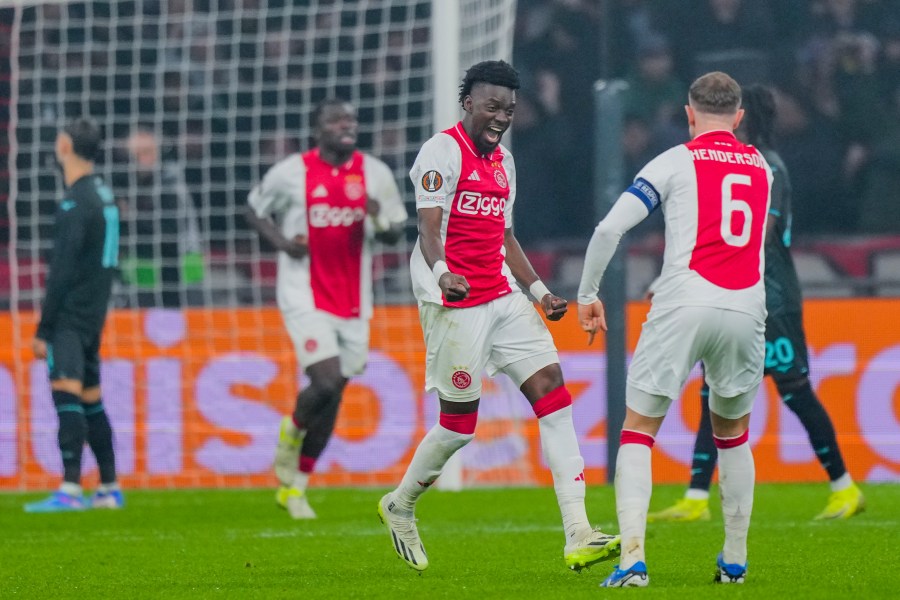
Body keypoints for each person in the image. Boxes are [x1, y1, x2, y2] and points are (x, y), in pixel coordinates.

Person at [377, 60, 620, 573]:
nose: (501, 116)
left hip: (503, 296)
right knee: (459, 427)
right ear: (467, 102)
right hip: (455, 302)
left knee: (554, 396)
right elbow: (428, 229)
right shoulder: (441, 152)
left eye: (509, 108)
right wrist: (442, 272)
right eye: (492, 106)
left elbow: (504, 235)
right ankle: (400, 503)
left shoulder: (505, 162)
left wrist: (538, 291)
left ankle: (578, 531)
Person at [578, 72, 771, 587]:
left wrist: (586, 293)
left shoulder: (674, 160)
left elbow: (609, 228)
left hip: (684, 302)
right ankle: (734, 562)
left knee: (638, 430)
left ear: (689, 114)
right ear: (739, 117)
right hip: (746, 308)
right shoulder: (762, 167)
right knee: (732, 436)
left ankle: (633, 562)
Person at [648, 85, 864, 523]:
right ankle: (694, 498)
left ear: (742, 118)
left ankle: (845, 487)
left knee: (795, 391)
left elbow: (759, 236)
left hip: (772, 300)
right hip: (736, 297)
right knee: (715, 392)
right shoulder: (745, 164)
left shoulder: (769, 167)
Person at [245, 98, 408, 519]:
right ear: (318, 130)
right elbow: (253, 208)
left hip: (354, 300)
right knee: (325, 381)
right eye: (336, 120)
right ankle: (292, 430)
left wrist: (379, 221)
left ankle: (296, 485)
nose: (346, 126)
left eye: (351, 119)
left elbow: (395, 234)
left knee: (334, 393)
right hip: (304, 293)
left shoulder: (375, 174)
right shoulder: (291, 172)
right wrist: (283, 244)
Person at [25, 118, 124, 513]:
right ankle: (110, 487)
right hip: (94, 313)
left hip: (70, 315)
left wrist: (44, 327)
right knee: (90, 400)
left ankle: (69, 488)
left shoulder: (74, 202)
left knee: (66, 397)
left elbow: (62, 270)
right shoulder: (104, 194)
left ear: (65, 146)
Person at [118, 127, 205, 308]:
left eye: (146, 153)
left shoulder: (170, 186)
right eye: (134, 155)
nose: (140, 160)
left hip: (178, 282)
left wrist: (131, 217)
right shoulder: (138, 186)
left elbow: (170, 234)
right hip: (145, 282)